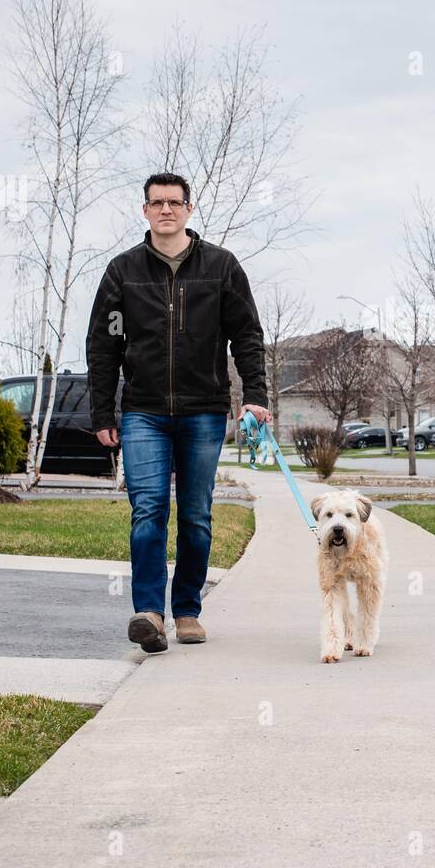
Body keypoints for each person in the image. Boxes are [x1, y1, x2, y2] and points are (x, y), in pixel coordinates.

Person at [86, 173, 272, 652]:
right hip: (143, 412)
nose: (165, 210)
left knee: (195, 515)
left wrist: (256, 395)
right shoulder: (122, 271)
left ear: (189, 209)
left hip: (203, 411)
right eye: (156, 203)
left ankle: (187, 610)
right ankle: (149, 612)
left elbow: (247, 336)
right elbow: (103, 347)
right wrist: (103, 412)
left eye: (174, 202)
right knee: (147, 510)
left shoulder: (222, 267)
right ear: (144, 210)